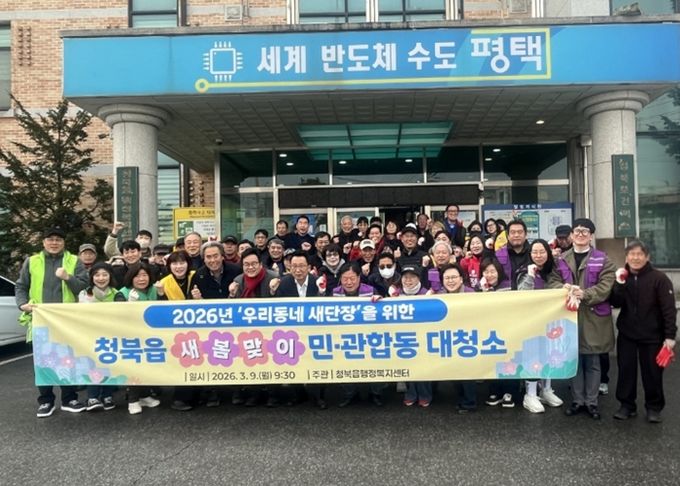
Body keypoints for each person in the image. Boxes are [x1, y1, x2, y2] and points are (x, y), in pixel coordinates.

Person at [16, 227, 89, 418]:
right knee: (42, 361)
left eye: (58, 239)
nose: (54, 243)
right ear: (43, 242)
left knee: (68, 359)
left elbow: (83, 286)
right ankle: (46, 401)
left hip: (66, 321)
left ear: (64, 243)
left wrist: (68, 277)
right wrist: (22, 304)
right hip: (40, 319)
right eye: (50, 239)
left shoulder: (74, 261)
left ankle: (69, 399)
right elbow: (21, 286)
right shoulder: (32, 261)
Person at [610, 240, 677, 423]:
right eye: (632, 254)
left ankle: (653, 407)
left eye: (640, 254)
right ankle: (626, 405)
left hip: (652, 335)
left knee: (653, 373)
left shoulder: (659, 279)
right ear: (626, 257)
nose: (636, 258)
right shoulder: (622, 276)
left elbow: (669, 310)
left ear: (647, 257)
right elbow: (615, 302)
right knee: (626, 371)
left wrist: (670, 336)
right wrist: (619, 284)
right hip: (627, 334)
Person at [557, 218, 615, 421]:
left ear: (591, 236)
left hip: (593, 317)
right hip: (569, 316)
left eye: (585, 231)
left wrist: (586, 294)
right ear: (572, 235)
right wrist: (562, 289)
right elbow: (552, 280)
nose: (580, 234)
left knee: (592, 361)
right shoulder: (561, 259)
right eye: (577, 231)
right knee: (574, 360)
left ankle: (592, 402)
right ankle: (577, 400)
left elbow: (606, 285)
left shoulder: (603, 259)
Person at [517, 239, 565, 413]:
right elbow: (521, 295)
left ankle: (546, 389)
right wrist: (530, 276)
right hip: (531, 322)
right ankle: (530, 395)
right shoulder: (524, 271)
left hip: (551, 321)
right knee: (533, 356)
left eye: (542, 251)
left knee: (550, 354)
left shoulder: (554, 270)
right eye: (535, 252)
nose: (538, 255)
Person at [229, 248, 281, 407]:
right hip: (246, 330)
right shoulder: (238, 281)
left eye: (253, 264)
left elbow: (283, 305)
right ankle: (254, 393)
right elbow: (231, 309)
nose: (250, 267)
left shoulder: (273, 277)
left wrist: (273, 291)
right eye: (246, 264)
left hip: (270, 329)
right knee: (249, 358)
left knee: (272, 360)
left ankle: (273, 394)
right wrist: (231, 295)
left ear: (260, 264)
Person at [275, 251, 324, 409]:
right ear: (289, 268)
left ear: (309, 267)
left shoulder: (317, 282)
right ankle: (298, 395)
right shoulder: (284, 283)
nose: (298, 270)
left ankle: (318, 397)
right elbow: (278, 308)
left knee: (316, 363)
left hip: (314, 330)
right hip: (292, 331)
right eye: (294, 266)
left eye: (302, 266)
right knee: (293, 361)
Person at [333, 262, 384, 407]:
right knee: (344, 364)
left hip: (369, 335)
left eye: (352, 278)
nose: (349, 282)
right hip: (345, 337)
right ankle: (350, 394)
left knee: (375, 363)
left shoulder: (370, 290)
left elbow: (384, 310)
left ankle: (376, 393)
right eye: (345, 279)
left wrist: (380, 300)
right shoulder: (335, 292)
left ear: (359, 278)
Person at [115, 262, 162, 414]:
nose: (141, 279)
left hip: (150, 337)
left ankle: (144, 395)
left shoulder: (154, 290)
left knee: (147, 367)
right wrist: (129, 304)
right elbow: (117, 315)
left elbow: (164, 311)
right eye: (137, 276)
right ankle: (133, 400)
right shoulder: (123, 293)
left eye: (144, 275)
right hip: (131, 337)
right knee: (133, 368)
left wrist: (162, 295)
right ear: (131, 278)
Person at [78, 262, 119, 412]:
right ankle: (92, 397)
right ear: (91, 277)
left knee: (110, 365)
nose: (101, 278)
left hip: (111, 336)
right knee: (92, 365)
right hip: (91, 336)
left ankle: (107, 395)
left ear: (110, 276)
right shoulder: (84, 293)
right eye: (97, 275)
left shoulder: (117, 293)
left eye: (104, 274)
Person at [439, 263, 477, 413]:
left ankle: (469, 402)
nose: (450, 281)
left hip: (468, 337)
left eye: (454, 277)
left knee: (467, 372)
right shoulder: (440, 296)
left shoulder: (471, 294)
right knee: (455, 372)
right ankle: (462, 398)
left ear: (461, 279)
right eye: (447, 278)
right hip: (449, 339)